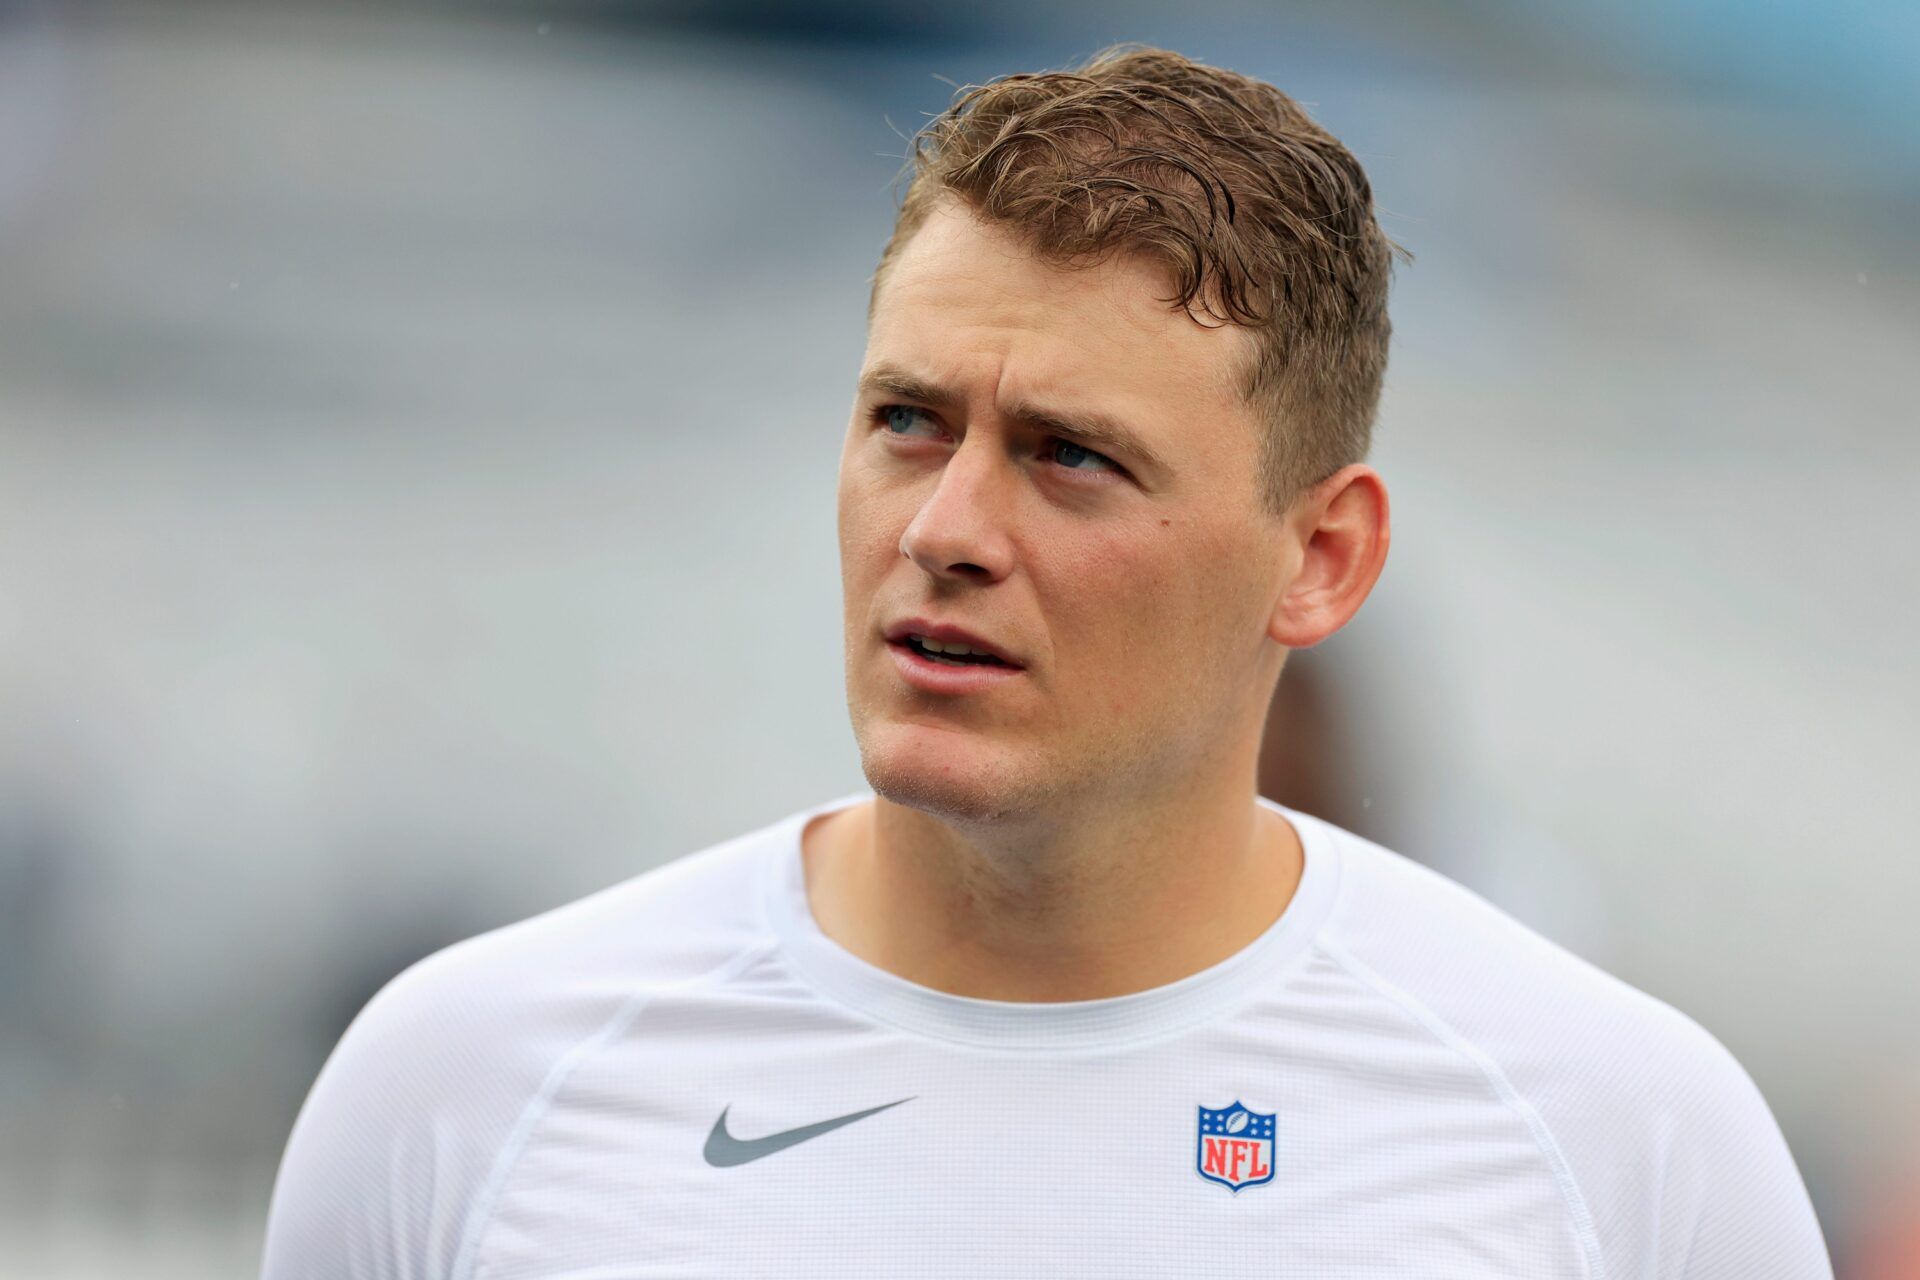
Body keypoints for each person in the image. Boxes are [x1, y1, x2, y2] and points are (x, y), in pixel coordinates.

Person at [259, 44, 1833, 1278]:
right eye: (906, 421)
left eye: (1071, 456)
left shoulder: (1613, 1136)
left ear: (1323, 558)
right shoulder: (469, 1085)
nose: (946, 526)